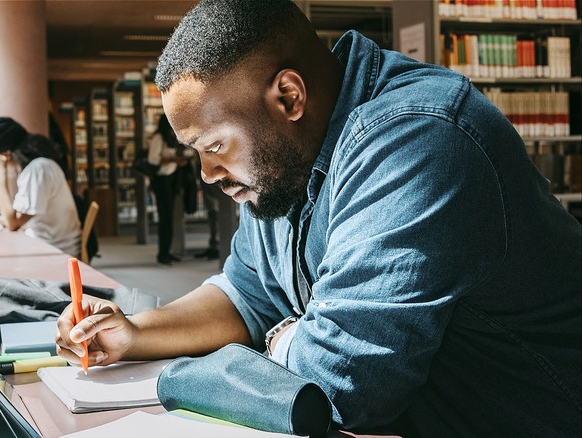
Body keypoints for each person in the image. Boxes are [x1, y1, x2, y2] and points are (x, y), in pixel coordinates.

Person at [55, 1, 581, 436]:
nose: (207, 173)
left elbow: (341, 384)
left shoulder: (418, 139)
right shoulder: (281, 165)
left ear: (288, 96)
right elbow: (246, 296)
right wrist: (133, 333)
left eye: (215, 145)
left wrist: (288, 341)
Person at [0, 117, 81, 257]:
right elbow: (18, 219)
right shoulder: (37, 167)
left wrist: (0, 173)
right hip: (44, 246)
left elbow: (13, 223)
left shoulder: (38, 169)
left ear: (4, 153)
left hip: (55, 252)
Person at [148, 114, 191, 265]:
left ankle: (168, 251)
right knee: (165, 217)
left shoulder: (172, 138)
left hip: (173, 179)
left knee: (171, 216)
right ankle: (162, 253)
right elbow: (153, 159)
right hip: (162, 181)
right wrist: (173, 159)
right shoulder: (158, 138)